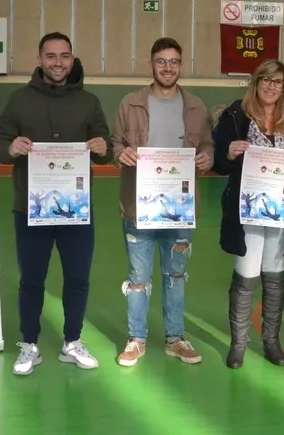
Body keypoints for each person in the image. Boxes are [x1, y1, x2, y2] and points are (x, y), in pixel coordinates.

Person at [0, 32, 112, 376]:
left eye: (65, 56)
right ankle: (30, 344)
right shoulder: (19, 100)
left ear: (73, 59)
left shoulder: (89, 102)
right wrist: (11, 148)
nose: (59, 62)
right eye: (51, 56)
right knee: (31, 279)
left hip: (76, 208)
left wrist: (104, 146)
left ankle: (72, 342)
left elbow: (107, 149)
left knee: (77, 278)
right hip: (31, 208)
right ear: (40, 59)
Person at [111, 37, 214, 368]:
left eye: (174, 62)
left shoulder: (197, 106)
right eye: (161, 61)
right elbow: (116, 144)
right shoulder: (130, 103)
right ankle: (136, 338)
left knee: (176, 276)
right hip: (139, 206)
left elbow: (209, 147)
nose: (167, 68)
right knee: (138, 277)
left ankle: (175, 339)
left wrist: (206, 159)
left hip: (180, 209)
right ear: (151, 64)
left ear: (181, 66)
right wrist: (120, 154)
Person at [212, 59, 284, 369]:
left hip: (281, 213)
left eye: (278, 82)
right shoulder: (234, 116)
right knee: (246, 275)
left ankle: (271, 340)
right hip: (247, 212)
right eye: (266, 80)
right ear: (255, 83)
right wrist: (228, 153)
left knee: (275, 276)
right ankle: (238, 344)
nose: (272, 86)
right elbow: (218, 161)